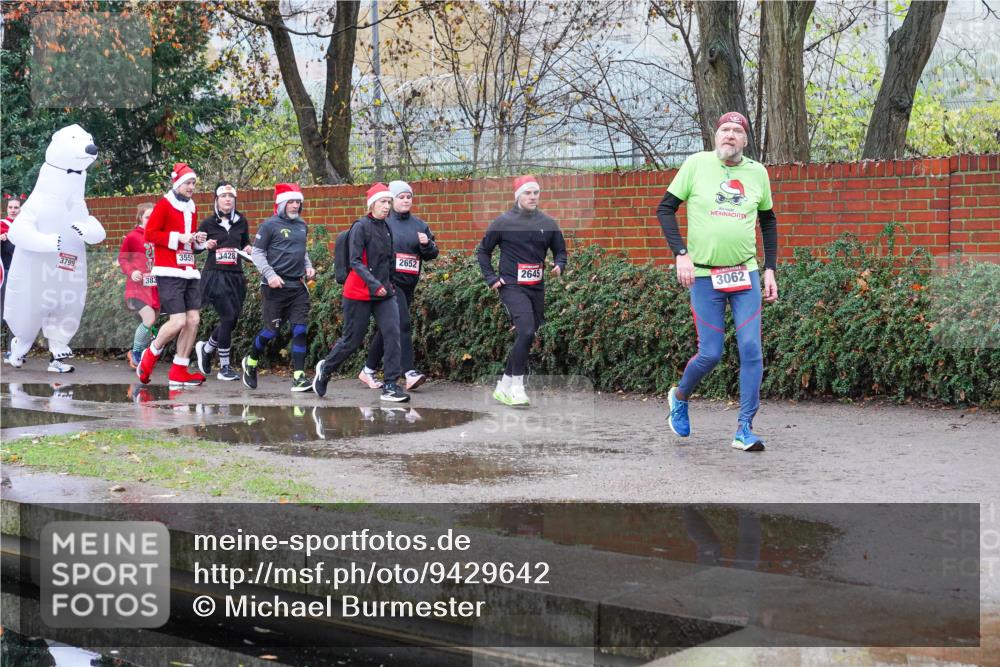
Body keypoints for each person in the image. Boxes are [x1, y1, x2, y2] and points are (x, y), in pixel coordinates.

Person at [656, 111, 778, 452]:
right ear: (715, 136)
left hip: (745, 273)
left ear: (745, 140)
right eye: (725, 129)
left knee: (751, 348)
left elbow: (768, 221)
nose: (730, 135)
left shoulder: (758, 173)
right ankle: (679, 397)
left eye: (737, 131)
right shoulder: (696, 165)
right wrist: (681, 253)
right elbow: (665, 209)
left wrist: (770, 269)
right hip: (705, 275)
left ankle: (744, 429)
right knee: (710, 354)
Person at [312, 183, 410, 402]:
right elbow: (355, 261)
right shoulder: (360, 227)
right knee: (351, 340)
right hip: (359, 292)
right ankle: (326, 369)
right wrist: (375, 284)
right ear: (372, 204)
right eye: (383, 202)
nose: (387, 206)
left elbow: (388, 260)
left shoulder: (386, 227)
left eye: (388, 202)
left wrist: (390, 283)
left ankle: (391, 385)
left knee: (393, 332)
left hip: (384, 293)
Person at [476, 175, 567, 407]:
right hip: (512, 287)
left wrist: (559, 264)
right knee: (526, 332)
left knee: (526, 335)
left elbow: (560, 250)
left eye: (536, 192)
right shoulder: (503, 222)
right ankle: (517, 387)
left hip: (536, 287)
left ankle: (503, 386)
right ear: (518, 196)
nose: (533, 197)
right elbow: (483, 251)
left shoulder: (547, 222)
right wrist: (491, 278)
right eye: (528, 193)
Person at [359, 180, 439, 391]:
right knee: (403, 324)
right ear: (391, 200)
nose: (405, 200)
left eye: (408, 197)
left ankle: (367, 369)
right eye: (401, 197)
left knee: (389, 328)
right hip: (390, 283)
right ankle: (409, 372)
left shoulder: (419, 225)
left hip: (409, 283)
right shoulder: (384, 224)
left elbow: (432, 254)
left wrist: (426, 245)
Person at [136, 163, 208, 387]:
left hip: (189, 270)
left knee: (193, 319)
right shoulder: (164, 205)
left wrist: (198, 242)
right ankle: (150, 354)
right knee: (178, 322)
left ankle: (180, 369)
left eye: (194, 183)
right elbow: (150, 234)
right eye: (188, 183)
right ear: (177, 184)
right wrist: (178, 237)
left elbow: (188, 243)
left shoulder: (192, 207)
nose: (191, 187)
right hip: (168, 271)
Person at [241, 183, 315, 392]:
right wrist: (270, 275)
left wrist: (308, 267)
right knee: (271, 332)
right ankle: (251, 362)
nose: (294, 205)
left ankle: (299, 377)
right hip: (274, 288)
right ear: (281, 204)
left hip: (297, 287)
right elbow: (257, 253)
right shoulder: (269, 225)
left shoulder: (302, 225)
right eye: (290, 202)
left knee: (300, 330)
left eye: (297, 202)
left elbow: (302, 251)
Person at [194, 181, 251, 381]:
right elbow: (194, 247)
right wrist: (204, 245)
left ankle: (207, 349)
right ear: (216, 200)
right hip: (214, 275)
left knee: (232, 319)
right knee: (227, 317)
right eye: (224, 197)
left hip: (235, 275)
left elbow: (245, 243)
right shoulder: (208, 223)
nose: (228, 200)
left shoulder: (241, 221)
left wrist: (248, 249)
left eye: (231, 197)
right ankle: (225, 367)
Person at [117, 202, 160, 368]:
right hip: (137, 288)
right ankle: (136, 353)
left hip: (155, 287)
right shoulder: (132, 237)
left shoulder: (159, 236)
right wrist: (131, 272)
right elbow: (122, 259)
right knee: (148, 319)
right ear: (140, 217)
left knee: (152, 321)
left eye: (154, 216)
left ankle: (139, 353)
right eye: (148, 216)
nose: (151, 219)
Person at [1, 194, 22, 327]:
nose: (13, 210)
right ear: (7, 209)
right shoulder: (1, 224)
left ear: (20, 209)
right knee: (4, 305)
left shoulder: (25, 227)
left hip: (23, 272)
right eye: (10, 207)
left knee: (19, 306)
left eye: (16, 207)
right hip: (7, 271)